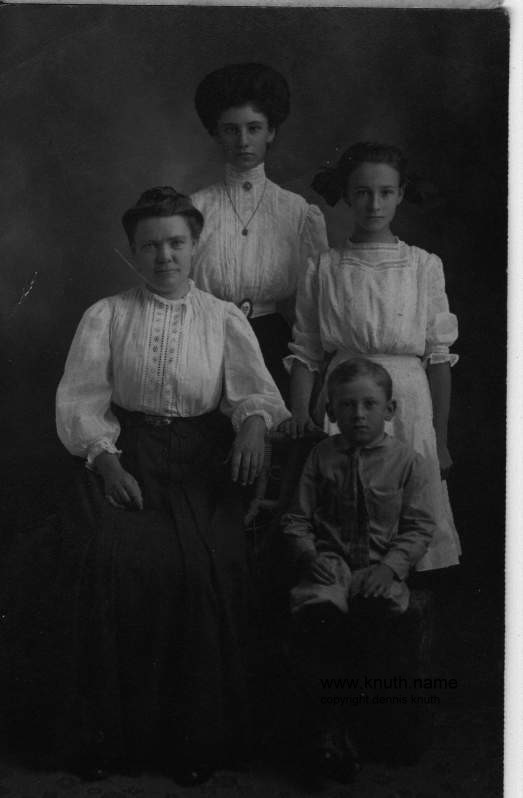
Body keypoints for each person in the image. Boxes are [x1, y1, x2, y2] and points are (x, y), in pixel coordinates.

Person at [2, 187, 290, 784]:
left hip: (201, 465)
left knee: (202, 566)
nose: (165, 257)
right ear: (133, 252)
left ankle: (192, 741)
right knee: (111, 559)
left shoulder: (223, 317)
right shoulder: (107, 314)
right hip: (127, 455)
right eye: (151, 246)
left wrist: (255, 426)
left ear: (195, 245)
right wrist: (106, 461)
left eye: (176, 243)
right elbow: (82, 399)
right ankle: (110, 739)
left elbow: (253, 393)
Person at [282, 141, 460, 572]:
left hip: (410, 400)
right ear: (346, 194)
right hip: (345, 398)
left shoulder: (423, 265)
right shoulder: (323, 268)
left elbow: (438, 358)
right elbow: (306, 351)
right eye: (362, 192)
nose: (374, 203)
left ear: (400, 194)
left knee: (410, 510)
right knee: (343, 510)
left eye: (385, 192)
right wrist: (301, 412)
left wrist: (440, 439)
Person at [282, 359, 436, 782]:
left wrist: (390, 568)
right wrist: (311, 557)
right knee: (321, 623)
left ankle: (367, 730)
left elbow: (420, 526)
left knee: (374, 624)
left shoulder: (408, 461)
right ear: (330, 412)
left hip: (380, 570)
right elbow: (297, 519)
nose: (359, 414)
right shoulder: (321, 456)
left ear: (390, 410)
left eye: (370, 404)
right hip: (329, 568)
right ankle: (329, 734)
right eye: (347, 405)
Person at [190, 62, 328, 399]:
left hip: (272, 345)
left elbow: (312, 308)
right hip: (207, 342)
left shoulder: (298, 212)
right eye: (230, 130)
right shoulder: (194, 208)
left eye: (254, 128)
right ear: (215, 133)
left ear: (271, 132)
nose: (243, 141)